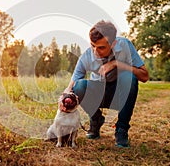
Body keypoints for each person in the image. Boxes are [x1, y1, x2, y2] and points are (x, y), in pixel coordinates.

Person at [60, 20, 149, 148]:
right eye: (93, 46)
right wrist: (64, 98)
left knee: (129, 77)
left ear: (113, 43)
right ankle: (96, 120)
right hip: (98, 95)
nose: (95, 52)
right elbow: (71, 86)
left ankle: (121, 129)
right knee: (79, 86)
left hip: (120, 95)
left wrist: (117, 64)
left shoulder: (125, 46)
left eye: (101, 47)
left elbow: (144, 76)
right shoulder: (87, 56)